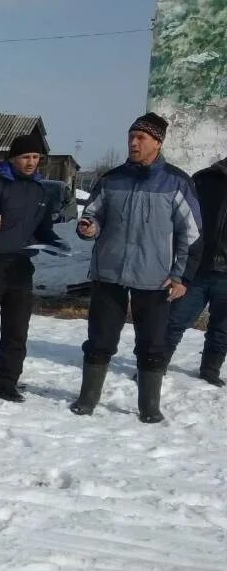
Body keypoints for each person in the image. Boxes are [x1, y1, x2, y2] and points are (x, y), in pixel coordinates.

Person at [71, 113, 200, 422]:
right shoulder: (111, 179)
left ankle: (149, 406)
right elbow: (92, 214)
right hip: (109, 272)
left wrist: (181, 276)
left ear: (158, 142)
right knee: (100, 338)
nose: (133, 142)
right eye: (131, 136)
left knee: (152, 344)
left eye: (141, 138)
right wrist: (89, 226)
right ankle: (88, 399)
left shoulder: (177, 182)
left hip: (155, 278)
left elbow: (191, 235)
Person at [0, 134, 68, 401]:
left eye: (36, 157)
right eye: (25, 157)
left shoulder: (41, 190)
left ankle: (7, 382)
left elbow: (43, 228)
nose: (31, 162)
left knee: (17, 329)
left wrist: (55, 242)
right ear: (13, 158)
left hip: (21, 267)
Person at [165, 153, 227, 386]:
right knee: (174, 321)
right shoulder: (204, 179)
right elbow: (184, 220)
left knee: (222, 328)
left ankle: (210, 370)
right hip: (198, 267)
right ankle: (155, 366)